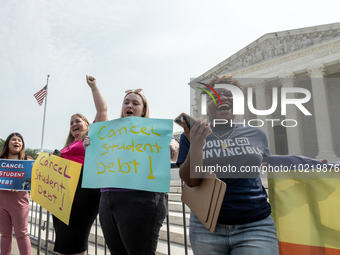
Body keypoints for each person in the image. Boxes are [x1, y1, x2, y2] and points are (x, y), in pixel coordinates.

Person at [177, 75, 279, 255]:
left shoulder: (257, 134)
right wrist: (196, 145)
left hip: (255, 224)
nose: (221, 98)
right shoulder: (192, 135)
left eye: (228, 94)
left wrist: (311, 165)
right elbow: (191, 181)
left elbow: (272, 164)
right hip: (206, 226)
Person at [86, 88, 170, 255]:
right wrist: (91, 143)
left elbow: (169, 146)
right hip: (107, 199)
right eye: (126, 102)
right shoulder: (109, 132)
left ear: (144, 109)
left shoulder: (154, 130)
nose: (129, 105)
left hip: (140, 201)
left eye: (135, 103)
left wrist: (173, 144)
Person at [51, 75, 108, 255]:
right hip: (63, 192)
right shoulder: (67, 147)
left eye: (78, 121)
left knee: (76, 240)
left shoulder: (93, 135)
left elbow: (103, 110)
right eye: (71, 123)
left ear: (87, 124)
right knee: (62, 240)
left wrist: (93, 87)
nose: (74, 124)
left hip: (84, 189)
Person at [0, 133, 32, 255]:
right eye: (13, 139)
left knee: (22, 234)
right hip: (1, 200)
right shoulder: (0, 161)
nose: (16, 141)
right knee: (5, 234)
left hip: (20, 202)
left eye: (19, 140)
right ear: (8, 143)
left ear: (22, 144)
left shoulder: (28, 161)